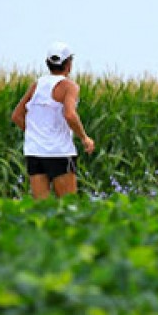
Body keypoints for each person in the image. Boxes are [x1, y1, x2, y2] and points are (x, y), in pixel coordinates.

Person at [11, 42, 95, 199]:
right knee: (68, 207)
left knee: (42, 209)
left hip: (34, 153)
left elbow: (16, 116)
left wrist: (37, 134)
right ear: (68, 64)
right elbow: (70, 114)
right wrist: (84, 138)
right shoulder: (69, 86)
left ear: (48, 64)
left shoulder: (37, 85)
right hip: (60, 153)